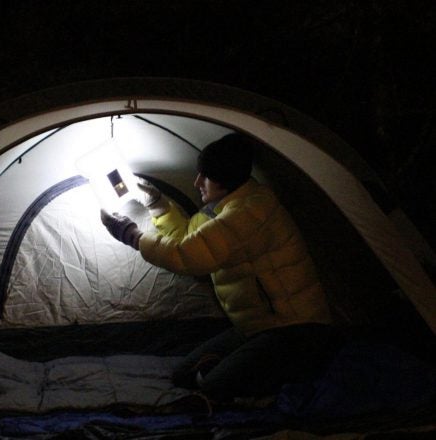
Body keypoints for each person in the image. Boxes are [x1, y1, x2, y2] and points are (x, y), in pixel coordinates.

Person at [101, 133, 342, 402]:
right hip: (256, 326)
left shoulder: (252, 211)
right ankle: (248, 369)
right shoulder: (222, 208)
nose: (197, 183)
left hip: (296, 328)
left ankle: (294, 369)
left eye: (205, 176)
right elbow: (187, 240)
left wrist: (131, 235)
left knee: (214, 388)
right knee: (183, 375)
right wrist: (156, 204)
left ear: (225, 179)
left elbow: (187, 256)